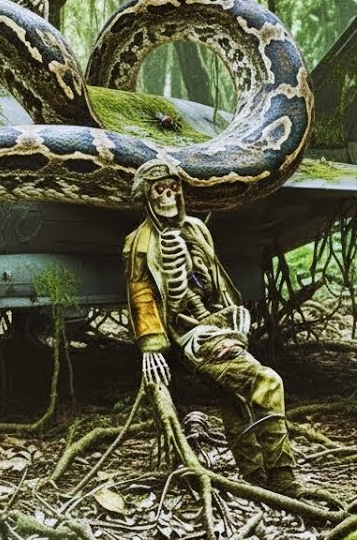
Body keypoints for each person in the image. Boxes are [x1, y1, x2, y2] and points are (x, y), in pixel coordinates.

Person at [122, 159, 301, 494]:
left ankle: (255, 480)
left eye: (173, 188)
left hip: (221, 323)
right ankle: (284, 479)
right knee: (268, 383)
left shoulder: (196, 229)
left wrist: (233, 313)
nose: (168, 197)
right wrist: (151, 347)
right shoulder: (138, 243)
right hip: (191, 335)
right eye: (159, 190)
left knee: (233, 396)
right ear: (146, 196)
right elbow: (142, 294)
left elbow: (215, 278)